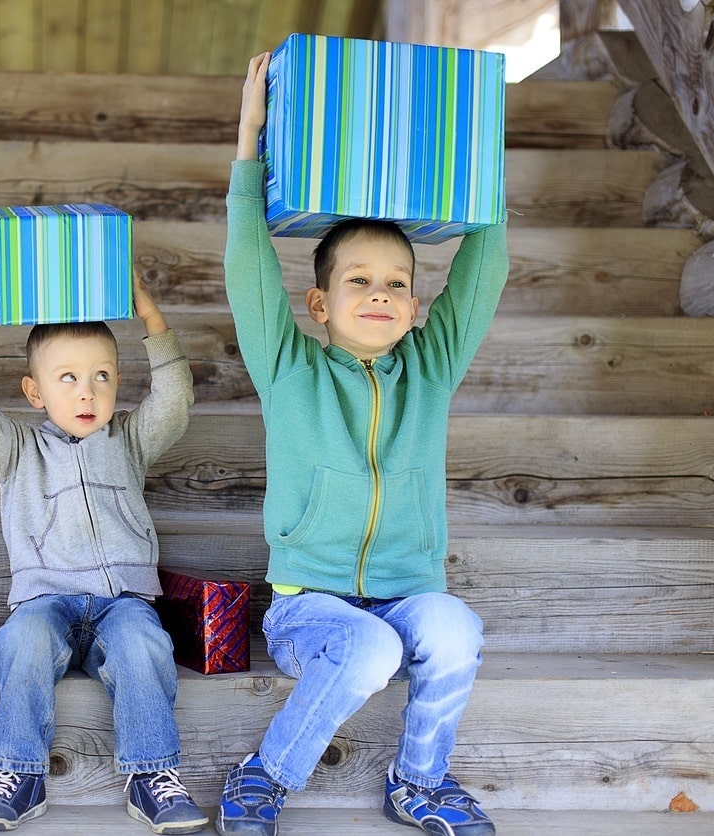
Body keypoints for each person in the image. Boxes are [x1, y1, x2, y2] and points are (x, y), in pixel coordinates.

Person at [215, 52, 510, 836]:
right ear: (317, 301)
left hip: (406, 589)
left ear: (416, 306)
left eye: (396, 283)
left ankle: (418, 782)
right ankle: (265, 775)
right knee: (371, 646)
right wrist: (249, 144)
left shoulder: (431, 371)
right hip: (309, 605)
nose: (379, 292)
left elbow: (484, 268)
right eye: (357, 280)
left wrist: (481, 161)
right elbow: (246, 268)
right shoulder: (288, 371)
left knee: (454, 627)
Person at [0, 265, 206, 834]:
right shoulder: (15, 450)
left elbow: (175, 396)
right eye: (67, 378)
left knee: (144, 642)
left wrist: (150, 315)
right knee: (26, 638)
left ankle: (152, 777)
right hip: (48, 601)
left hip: (122, 602)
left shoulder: (130, 441)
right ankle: (18, 775)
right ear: (34, 391)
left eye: (102, 377)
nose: (87, 392)